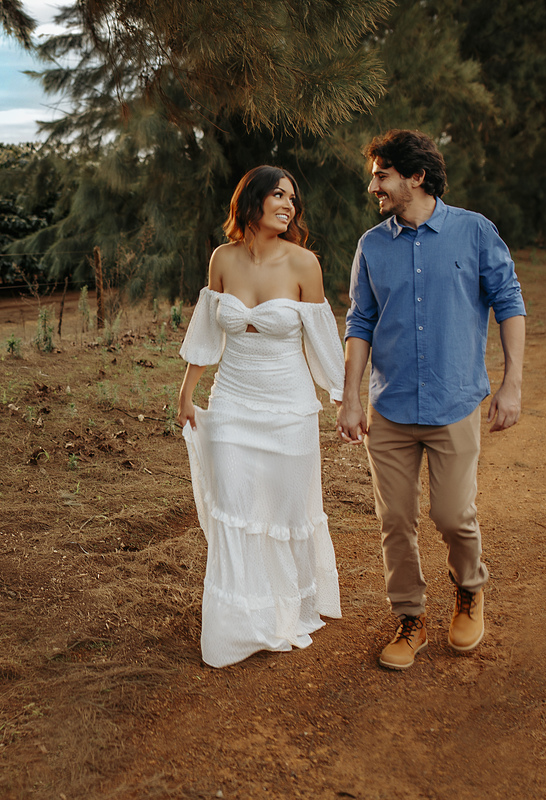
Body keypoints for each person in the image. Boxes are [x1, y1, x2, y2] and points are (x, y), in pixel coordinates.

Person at [336, 129, 526, 671]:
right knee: (395, 519)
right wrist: (351, 398)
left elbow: (509, 301)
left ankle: (469, 589)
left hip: (453, 400)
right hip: (390, 406)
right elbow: (360, 321)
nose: (373, 185)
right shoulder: (372, 245)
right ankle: (410, 617)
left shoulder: (474, 231)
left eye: (382, 175)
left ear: (416, 177)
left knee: (452, 514)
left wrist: (512, 383)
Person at [175, 165, 345, 668]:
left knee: (284, 513)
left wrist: (345, 398)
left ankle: (284, 610)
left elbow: (322, 341)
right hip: (231, 402)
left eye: (292, 198)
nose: (288, 204)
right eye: (278, 194)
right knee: (235, 510)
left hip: (289, 410)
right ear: (251, 200)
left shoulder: (304, 264)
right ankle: (237, 625)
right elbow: (207, 333)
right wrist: (186, 393)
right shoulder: (222, 259)